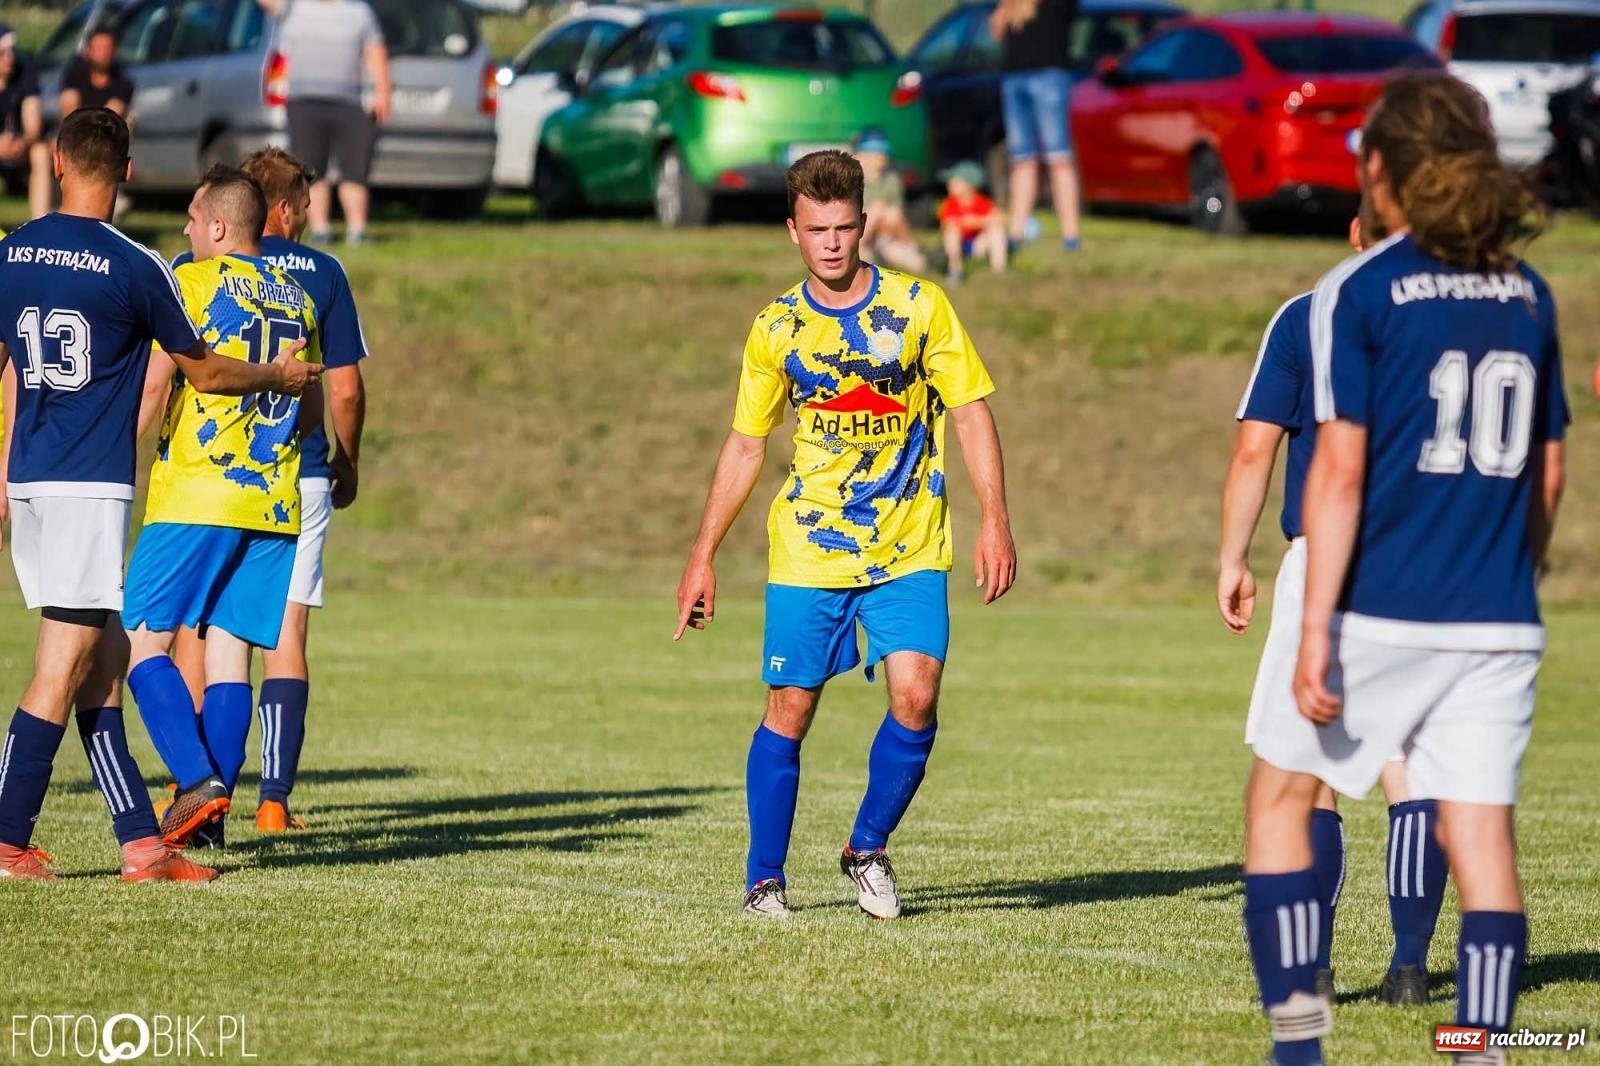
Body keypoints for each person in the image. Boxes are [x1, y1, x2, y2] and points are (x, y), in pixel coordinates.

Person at [1244, 71, 1565, 1066]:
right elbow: (1547, 474)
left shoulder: (1356, 289)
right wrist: (1509, 575)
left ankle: (1299, 1048)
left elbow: (1334, 475)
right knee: (1483, 842)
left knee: (1280, 800)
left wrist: (1314, 628)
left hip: (1381, 604)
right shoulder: (1526, 290)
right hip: (1497, 617)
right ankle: (1480, 1048)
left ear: (1378, 172)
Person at [674, 150, 1017, 919]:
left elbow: (970, 411)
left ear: (864, 224)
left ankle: (866, 847)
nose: (831, 242)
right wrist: (702, 558)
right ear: (791, 230)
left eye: (844, 227)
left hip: (910, 543)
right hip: (810, 546)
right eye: (815, 228)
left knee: (917, 695)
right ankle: (765, 879)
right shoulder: (776, 329)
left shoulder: (921, 307)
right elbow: (745, 445)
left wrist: (995, 516)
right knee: (790, 708)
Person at [0, 109, 318, 882]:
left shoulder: (9, 251)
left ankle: (142, 846)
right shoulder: (136, 265)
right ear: (129, 172)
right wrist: (277, 375)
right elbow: (205, 372)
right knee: (64, 663)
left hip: (31, 476)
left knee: (103, 658)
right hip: (90, 485)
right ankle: (7, 841)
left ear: (56, 159)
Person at [1221, 214, 1450, 1009]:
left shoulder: (1306, 313)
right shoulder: (1466, 322)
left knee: (1308, 775)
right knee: (1413, 769)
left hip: (1326, 554)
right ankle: (1412, 967)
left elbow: (1256, 449)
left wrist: (1231, 558)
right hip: (1428, 562)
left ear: (1356, 229)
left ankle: (1310, 971)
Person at [169, 147, 369, 835]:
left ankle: (189, 779)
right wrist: (348, 458)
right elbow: (340, 384)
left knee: (196, 631)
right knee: (284, 632)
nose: (309, 220)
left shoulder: (200, 271)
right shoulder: (319, 275)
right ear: (284, 208)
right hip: (296, 476)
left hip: (208, 477)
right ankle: (274, 799)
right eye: (308, 207)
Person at [122, 165, 323, 848]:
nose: (183, 229)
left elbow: (155, 386)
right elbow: (313, 398)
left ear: (216, 226)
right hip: (271, 499)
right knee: (230, 653)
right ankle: (207, 823)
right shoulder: (297, 297)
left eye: (189, 217)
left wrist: (120, 459)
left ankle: (195, 779)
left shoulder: (189, 283)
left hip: (197, 492)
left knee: (143, 641)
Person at [258, 0, 393, 245]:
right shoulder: (292, 7)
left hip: (350, 102)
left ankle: (358, 230)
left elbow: (375, 50)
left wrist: (383, 91)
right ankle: (321, 229)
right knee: (311, 170)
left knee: (355, 171)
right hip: (303, 101)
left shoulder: (358, 12)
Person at [990, 0, 1082, 252]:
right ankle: (1016, 234)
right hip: (1015, 76)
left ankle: (1071, 235)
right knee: (1022, 159)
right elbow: (996, 32)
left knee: (1058, 156)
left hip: (1050, 75)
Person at [855, 129, 926, 274]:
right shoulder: (852, 181)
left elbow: (897, 217)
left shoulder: (892, 180)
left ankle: (907, 248)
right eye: (876, 152)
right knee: (877, 208)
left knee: (919, 265)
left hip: (885, 235)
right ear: (861, 155)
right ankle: (859, 248)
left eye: (883, 152)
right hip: (861, 234)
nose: (882, 156)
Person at [0, 23, 51, 220]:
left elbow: (33, 123)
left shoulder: (24, 72)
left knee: (39, 151)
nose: (9, 58)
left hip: (17, 146)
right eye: (2, 52)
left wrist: (23, 142)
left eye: (11, 51)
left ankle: (41, 225)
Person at [938, 161, 1007, 284]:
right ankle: (956, 270)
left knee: (996, 231)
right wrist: (964, 223)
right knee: (952, 232)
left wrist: (978, 221)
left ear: (969, 186)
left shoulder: (982, 203)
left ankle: (999, 270)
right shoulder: (950, 204)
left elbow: (999, 219)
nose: (949, 184)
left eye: (955, 182)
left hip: (980, 243)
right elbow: (946, 223)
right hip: (959, 244)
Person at [58, 27, 135, 118]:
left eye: (107, 48)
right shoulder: (74, 75)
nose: (103, 53)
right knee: (69, 98)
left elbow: (115, 111)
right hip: (78, 125)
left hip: (106, 128)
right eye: (98, 48)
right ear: (88, 51)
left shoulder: (123, 82)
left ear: (114, 51)